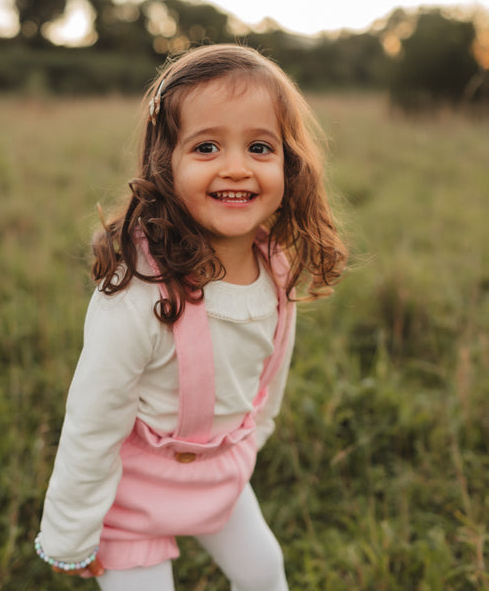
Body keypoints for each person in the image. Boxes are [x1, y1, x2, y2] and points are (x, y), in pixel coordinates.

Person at [35, 44, 347, 590]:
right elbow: (93, 418)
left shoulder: (275, 265)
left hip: (223, 471)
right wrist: (71, 534)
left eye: (259, 146)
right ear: (166, 164)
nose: (236, 167)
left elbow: (271, 370)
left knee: (265, 572)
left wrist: (252, 440)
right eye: (206, 146)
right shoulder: (139, 290)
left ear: (288, 164)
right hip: (132, 492)